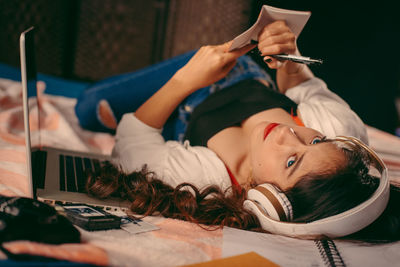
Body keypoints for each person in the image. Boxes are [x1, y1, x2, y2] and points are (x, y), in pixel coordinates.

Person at [75, 21, 400, 242]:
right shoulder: (343, 128)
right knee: (92, 107)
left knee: (87, 108)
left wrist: (186, 80)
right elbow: (303, 85)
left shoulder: (208, 179)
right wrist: (287, 56)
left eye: (291, 162)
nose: (288, 135)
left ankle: (135, 107)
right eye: (315, 140)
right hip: (238, 72)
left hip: (188, 92)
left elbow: (135, 135)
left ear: (269, 199)